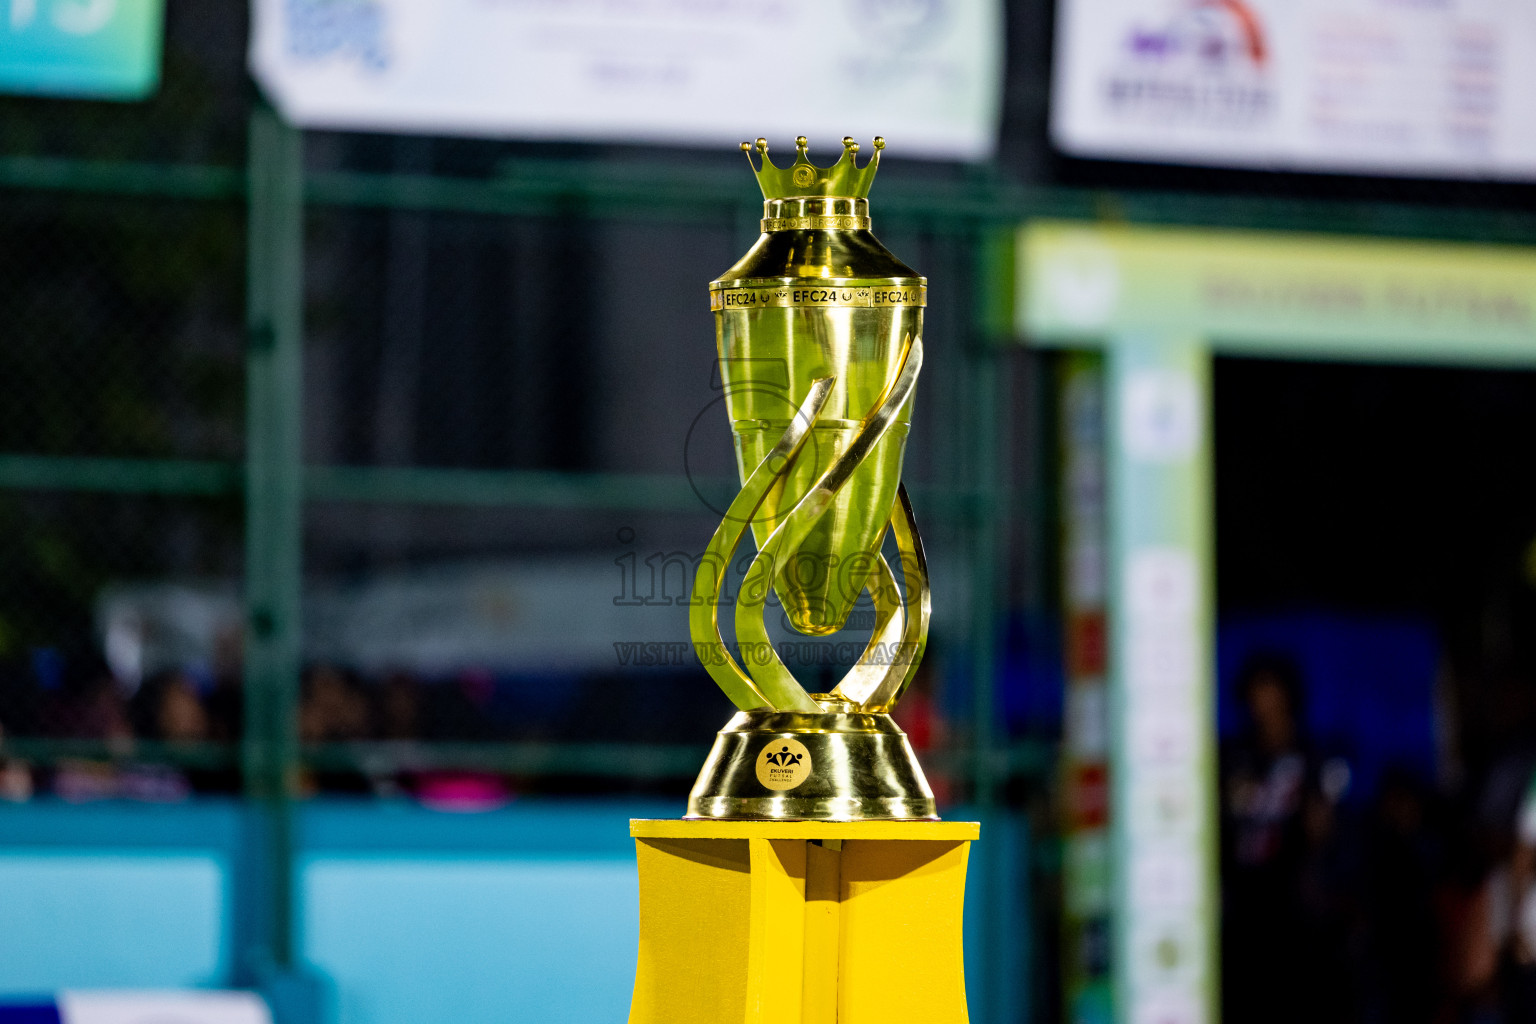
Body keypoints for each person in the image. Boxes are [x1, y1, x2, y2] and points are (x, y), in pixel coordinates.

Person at [1221, 653, 1352, 1024]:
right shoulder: (1234, 758)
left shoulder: (1313, 758)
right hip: (1242, 908)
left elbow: (1327, 834)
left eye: (1268, 688)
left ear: (1287, 694)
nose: (1260, 700)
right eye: (1253, 690)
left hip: (1294, 911)